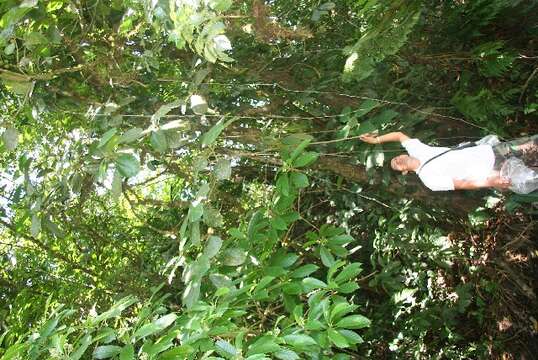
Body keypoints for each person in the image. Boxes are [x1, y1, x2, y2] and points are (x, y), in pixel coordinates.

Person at [359, 132, 538, 192]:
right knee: (533, 171)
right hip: (494, 170)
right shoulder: (429, 181)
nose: (397, 160)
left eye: (396, 158)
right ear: (405, 171)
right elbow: (462, 184)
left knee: (532, 144)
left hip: (490, 151)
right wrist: (491, 181)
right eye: (396, 165)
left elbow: (398, 135)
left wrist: (376, 141)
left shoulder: (417, 150)